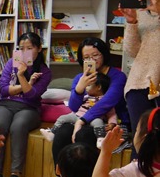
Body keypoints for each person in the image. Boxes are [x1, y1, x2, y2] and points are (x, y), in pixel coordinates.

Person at [51, 37, 128, 169]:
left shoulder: (117, 76)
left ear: (104, 54)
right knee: (63, 132)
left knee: (84, 135)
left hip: (109, 121)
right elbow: (74, 107)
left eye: (95, 55)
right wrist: (79, 88)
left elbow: (107, 103)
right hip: (81, 117)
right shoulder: (79, 78)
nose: (91, 60)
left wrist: (81, 121)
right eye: (86, 57)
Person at [0, 32, 52, 177]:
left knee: (18, 126)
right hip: (5, 104)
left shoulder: (44, 71)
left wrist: (21, 76)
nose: (24, 52)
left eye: (29, 48)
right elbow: (3, 90)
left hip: (29, 107)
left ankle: (15, 173)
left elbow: (32, 95)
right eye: (21, 48)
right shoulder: (12, 62)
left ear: (38, 49)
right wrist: (24, 85)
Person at [120, 0, 160, 152]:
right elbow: (132, 51)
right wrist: (132, 22)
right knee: (140, 139)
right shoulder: (141, 13)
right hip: (139, 82)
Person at [41, 72, 117, 143]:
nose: (85, 88)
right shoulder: (85, 97)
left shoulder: (105, 100)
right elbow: (75, 105)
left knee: (98, 122)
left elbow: (111, 113)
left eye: (88, 85)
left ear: (98, 87)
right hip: (77, 116)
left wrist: (112, 123)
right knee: (62, 118)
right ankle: (52, 134)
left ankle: (100, 139)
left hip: (93, 119)